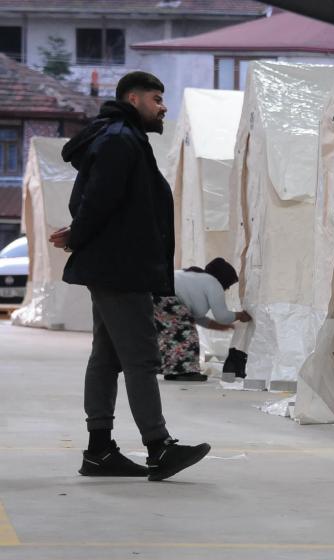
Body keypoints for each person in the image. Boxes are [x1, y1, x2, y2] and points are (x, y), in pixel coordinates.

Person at [49, 71, 210, 482]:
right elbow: (98, 199)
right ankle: (159, 447)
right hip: (121, 268)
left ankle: (99, 451)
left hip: (114, 265)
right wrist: (81, 233)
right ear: (133, 99)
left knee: (106, 358)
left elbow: (101, 200)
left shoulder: (120, 138)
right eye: (156, 99)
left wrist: (80, 232)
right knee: (140, 358)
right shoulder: (121, 140)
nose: (163, 107)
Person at [154, 258, 252, 382]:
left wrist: (220, 327)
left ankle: (174, 371)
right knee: (187, 335)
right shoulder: (213, 282)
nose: (226, 289)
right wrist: (240, 315)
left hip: (155, 299)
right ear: (223, 278)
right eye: (228, 285)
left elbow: (196, 318)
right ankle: (186, 372)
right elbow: (222, 316)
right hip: (169, 299)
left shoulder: (195, 277)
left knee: (172, 336)